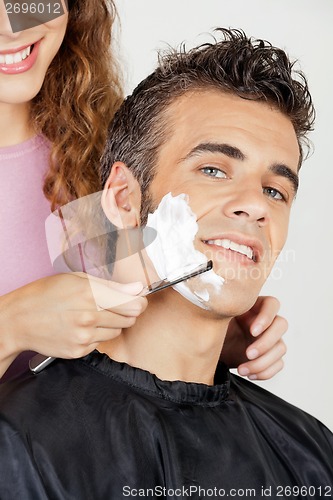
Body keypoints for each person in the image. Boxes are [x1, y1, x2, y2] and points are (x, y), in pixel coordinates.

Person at [0, 28, 332, 499]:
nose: (256, 206)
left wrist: (200, 330)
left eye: (275, 191)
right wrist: (9, 325)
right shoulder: (22, 447)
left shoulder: (312, 453)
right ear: (121, 197)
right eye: (214, 169)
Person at [0, 1, 287, 382]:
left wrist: (204, 331)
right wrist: (10, 327)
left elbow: (121, 326)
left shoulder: (103, 151)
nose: (11, 26)